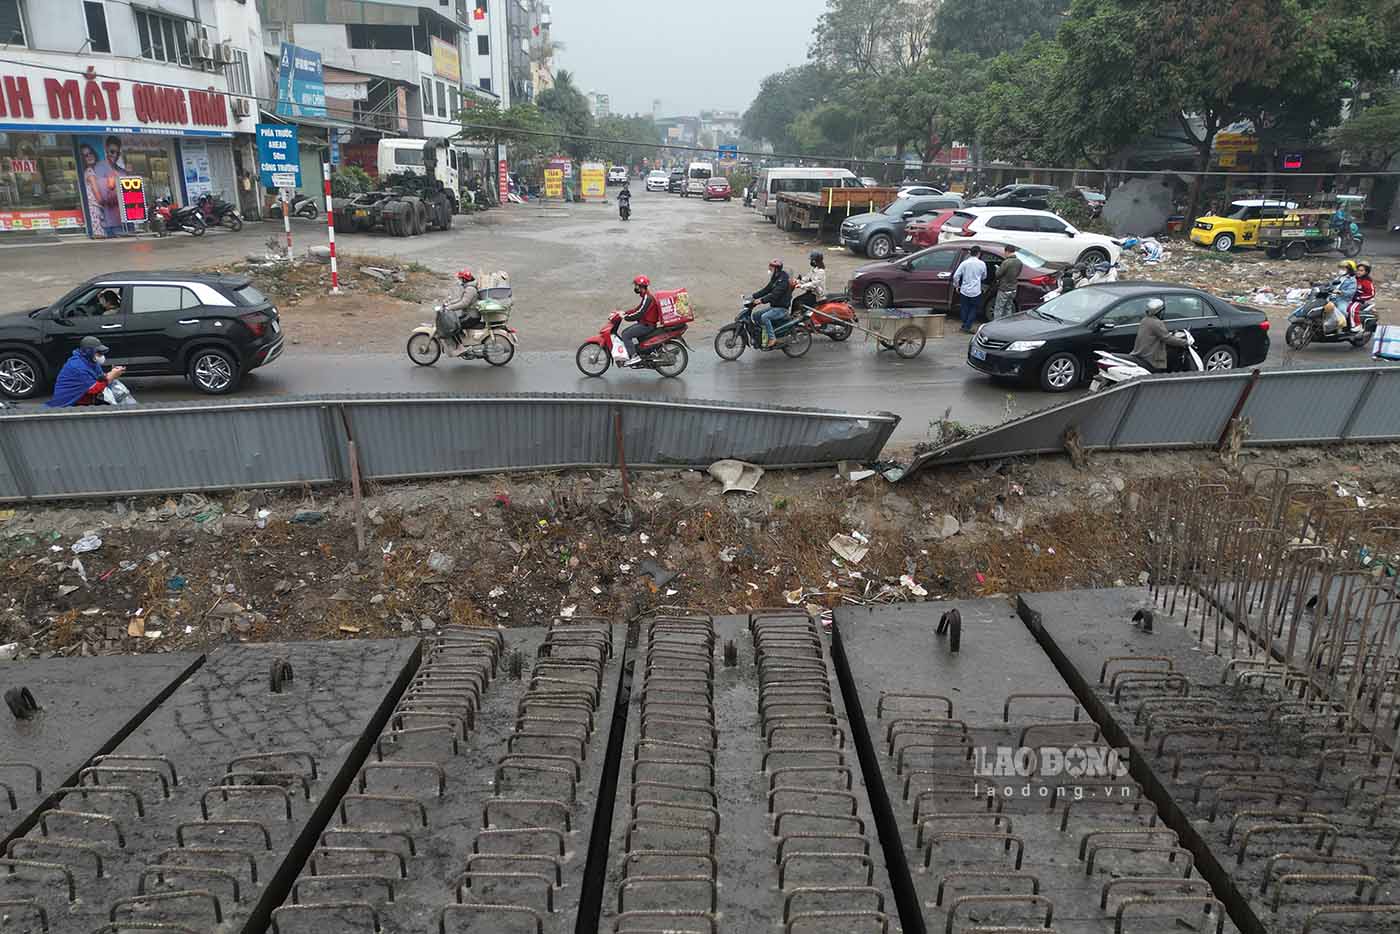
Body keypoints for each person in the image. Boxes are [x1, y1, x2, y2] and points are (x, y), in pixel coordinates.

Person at [46, 337, 125, 407]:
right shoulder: (77, 367)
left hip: (83, 398)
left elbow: (100, 377)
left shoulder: (90, 361)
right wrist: (111, 376)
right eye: (98, 353)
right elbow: (93, 388)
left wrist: (112, 373)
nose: (101, 356)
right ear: (89, 352)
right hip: (69, 403)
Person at [1130, 298, 1187, 372]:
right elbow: (1167, 339)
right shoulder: (1156, 323)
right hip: (1150, 357)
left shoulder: (1145, 320)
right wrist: (1185, 342)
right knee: (1172, 356)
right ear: (1159, 312)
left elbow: (1159, 334)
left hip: (1141, 353)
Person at [751, 259, 793, 346]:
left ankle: (772, 338)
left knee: (765, 317)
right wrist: (753, 296)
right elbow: (767, 289)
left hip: (781, 309)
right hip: (775, 307)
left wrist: (761, 301)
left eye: (771, 268)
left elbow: (774, 295)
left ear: (776, 269)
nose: (769, 270)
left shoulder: (783, 281)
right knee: (756, 315)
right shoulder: (776, 277)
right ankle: (763, 335)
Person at [621, 274, 662, 364]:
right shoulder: (646, 296)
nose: (635, 288)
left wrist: (627, 318)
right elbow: (637, 309)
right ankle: (645, 354)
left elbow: (640, 313)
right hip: (646, 324)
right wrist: (625, 313)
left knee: (625, 334)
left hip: (647, 325)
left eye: (636, 285)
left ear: (641, 286)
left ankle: (634, 356)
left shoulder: (648, 297)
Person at [952, 245, 987, 333]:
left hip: (964, 290)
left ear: (970, 253)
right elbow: (984, 276)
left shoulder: (964, 263)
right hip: (976, 291)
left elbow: (956, 276)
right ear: (979, 253)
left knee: (964, 308)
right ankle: (967, 326)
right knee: (973, 309)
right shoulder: (982, 264)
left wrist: (957, 286)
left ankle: (965, 325)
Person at [1323, 260, 1358, 334]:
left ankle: (1341, 328)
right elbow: (1330, 285)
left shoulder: (1352, 280)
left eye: (1343, 268)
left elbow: (1351, 292)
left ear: (1350, 270)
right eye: (1340, 268)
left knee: (1342, 311)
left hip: (1343, 300)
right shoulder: (1338, 278)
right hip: (1332, 298)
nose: (1341, 270)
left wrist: (1341, 292)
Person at [992, 250, 1022, 320]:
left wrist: (997, 269)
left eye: (1005, 252)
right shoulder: (1019, 262)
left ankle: (996, 325)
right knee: (1008, 308)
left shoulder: (1006, 262)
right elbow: (1018, 273)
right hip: (1013, 289)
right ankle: (1007, 324)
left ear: (1007, 251)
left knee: (999, 309)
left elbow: (998, 274)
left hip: (1004, 289)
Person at [1350, 262, 1375, 332]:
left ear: (1366, 272)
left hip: (1360, 301)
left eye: (1361, 271)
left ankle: (1357, 325)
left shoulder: (1367, 282)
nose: (1358, 272)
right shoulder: (1353, 279)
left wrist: (1360, 298)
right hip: (1349, 299)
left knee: (1352, 308)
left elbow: (1371, 294)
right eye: (1358, 270)